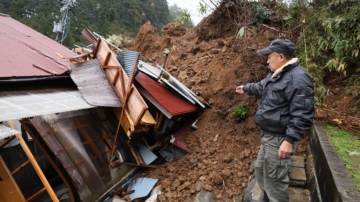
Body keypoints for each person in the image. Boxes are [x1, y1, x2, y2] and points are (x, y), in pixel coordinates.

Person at [235, 39, 315, 202]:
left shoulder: (298, 79)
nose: (267, 60)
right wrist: (246, 88)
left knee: (275, 178)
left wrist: (289, 140)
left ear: (280, 57)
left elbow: (302, 113)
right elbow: (261, 87)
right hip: (268, 136)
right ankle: (267, 198)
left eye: (269, 57)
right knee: (261, 170)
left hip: (280, 138)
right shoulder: (277, 75)